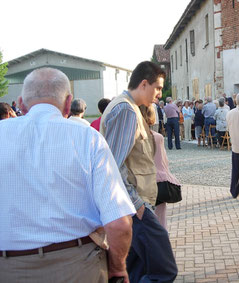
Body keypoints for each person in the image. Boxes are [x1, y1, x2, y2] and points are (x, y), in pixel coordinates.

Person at [0, 68, 136, 282]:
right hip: (77, 265)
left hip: (7, 268)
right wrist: (117, 268)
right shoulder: (87, 138)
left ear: (21, 104)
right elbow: (119, 222)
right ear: (68, 102)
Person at [100, 61, 178, 282]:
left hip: (135, 205)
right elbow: (113, 165)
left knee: (136, 270)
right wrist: (138, 206)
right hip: (135, 207)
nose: (160, 94)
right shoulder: (125, 109)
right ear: (144, 84)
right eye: (158, 88)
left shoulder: (129, 107)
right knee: (164, 270)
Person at [142, 105, 181, 230]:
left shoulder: (133, 138)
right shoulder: (157, 137)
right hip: (158, 181)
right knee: (159, 217)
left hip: (141, 182)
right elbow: (163, 162)